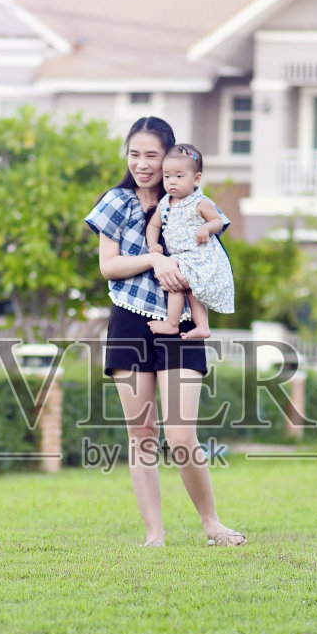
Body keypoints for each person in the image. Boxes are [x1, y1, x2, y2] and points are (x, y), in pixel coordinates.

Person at [84, 116, 246, 548]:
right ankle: (154, 534)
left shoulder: (191, 199)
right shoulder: (117, 202)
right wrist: (155, 259)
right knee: (141, 433)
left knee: (180, 435)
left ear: (172, 156)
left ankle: (212, 524)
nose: (142, 164)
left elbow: (211, 252)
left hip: (182, 324)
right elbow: (108, 266)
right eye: (134, 154)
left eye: (151, 155)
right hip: (129, 320)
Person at [145, 143, 235, 340]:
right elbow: (153, 225)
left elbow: (217, 221)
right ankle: (202, 326)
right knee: (186, 287)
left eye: (179, 176)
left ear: (196, 178)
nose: (172, 182)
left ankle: (172, 324)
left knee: (176, 283)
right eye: (167, 176)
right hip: (181, 256)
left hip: (199, 256)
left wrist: (206, 228)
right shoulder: (165, 203)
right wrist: (153, 244)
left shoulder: (200, 202)